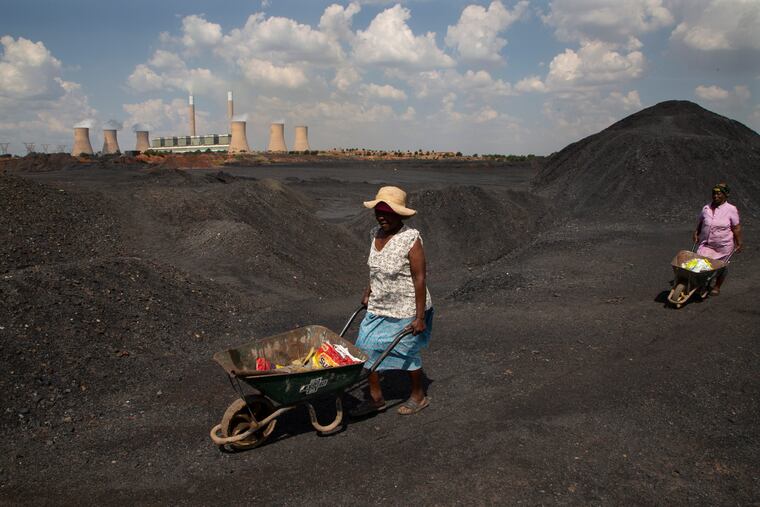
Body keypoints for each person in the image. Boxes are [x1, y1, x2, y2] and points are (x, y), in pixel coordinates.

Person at [350, 186, 433, 417]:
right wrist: (368, 290)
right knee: (366, 347)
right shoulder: (374, 234)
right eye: (379, 212)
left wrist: (419, 317)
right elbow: (375, 268)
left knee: (405, 352)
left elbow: (420, 277)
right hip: (380, 303)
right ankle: (376, 399)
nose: (382, 217)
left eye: (388, 213)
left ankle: (418, 395)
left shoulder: (410, 239)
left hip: (407, 306)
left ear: (400, 214)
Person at [692, 182, 744, 295]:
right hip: (706, 243)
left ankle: (716, 286)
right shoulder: (706, 208)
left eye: (719, 194)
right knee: (701, 264)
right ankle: (704, 284)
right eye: (714, 193)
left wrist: (739, 242)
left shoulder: (731, 209)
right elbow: (701, 222)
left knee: (721, 267)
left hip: (723, 245)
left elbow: (736, 227)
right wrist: (696, 233)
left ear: (725, 195)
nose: (716, 196)